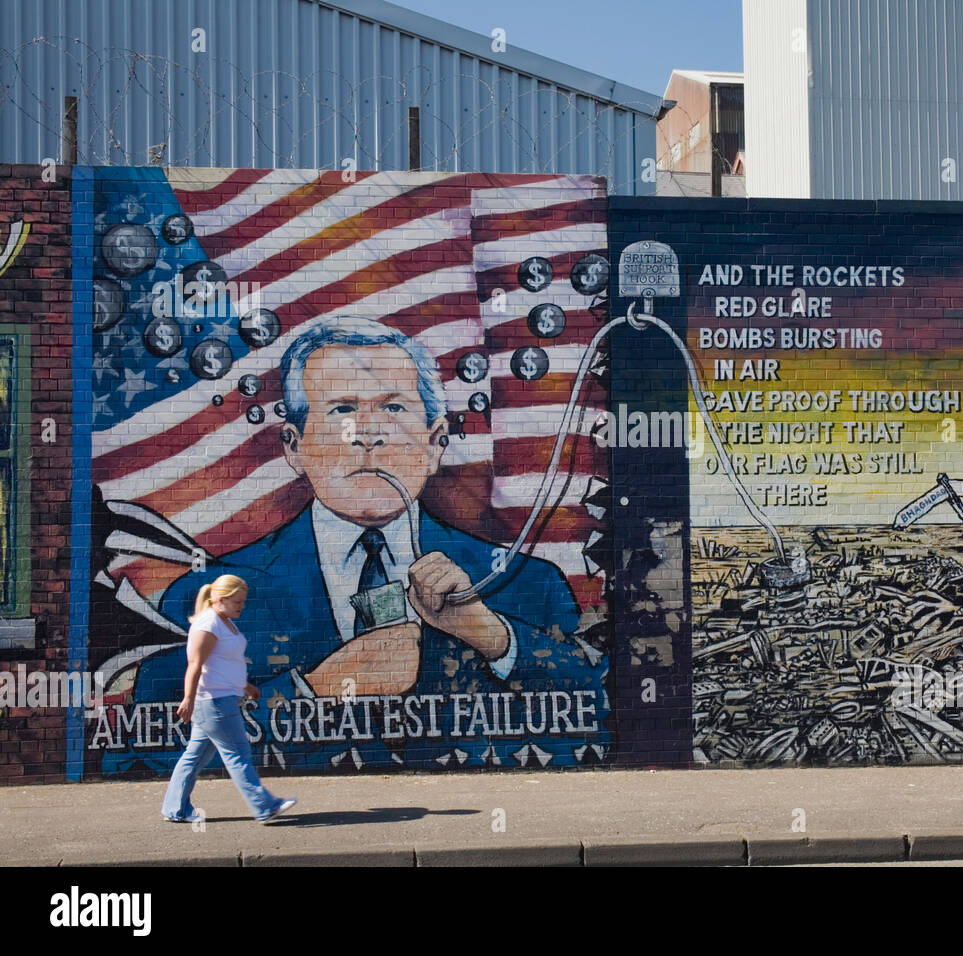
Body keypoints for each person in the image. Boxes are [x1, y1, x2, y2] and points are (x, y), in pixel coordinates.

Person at [113, 316, 609, 774]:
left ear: (435, 442)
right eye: (341, 409)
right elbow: (156, 743)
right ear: (294, 447)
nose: (366, 435)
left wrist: (493, 637)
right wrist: (317, 690)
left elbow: (603, 718)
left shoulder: (526, 583)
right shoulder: (212, 595)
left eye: (393, 408)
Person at [160, 574, 297, 823]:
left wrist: (246, 686)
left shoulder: (222, 621)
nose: (242, 606)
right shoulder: (208, 624)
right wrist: (188, 698)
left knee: (195, 756)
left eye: (243, 601)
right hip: (214, 702)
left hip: (218, 699)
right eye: (238, 602)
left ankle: (175, 809)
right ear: (220, 600)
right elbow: (195, 664)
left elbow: (223, 664)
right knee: (238, 754)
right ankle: (264, 806)